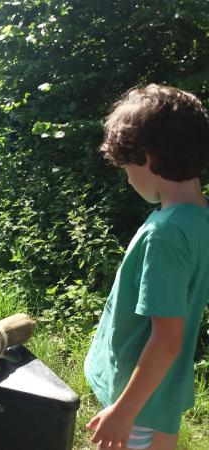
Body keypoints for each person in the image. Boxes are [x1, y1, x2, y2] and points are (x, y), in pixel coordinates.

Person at [84, 84, 209, 450]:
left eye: (126, 168)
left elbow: (167, 340)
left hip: (139, 402)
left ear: (149, 158)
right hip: (162, 392)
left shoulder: (166, 234)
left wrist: (123, 412)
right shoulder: (198, 217)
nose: (127, 178)